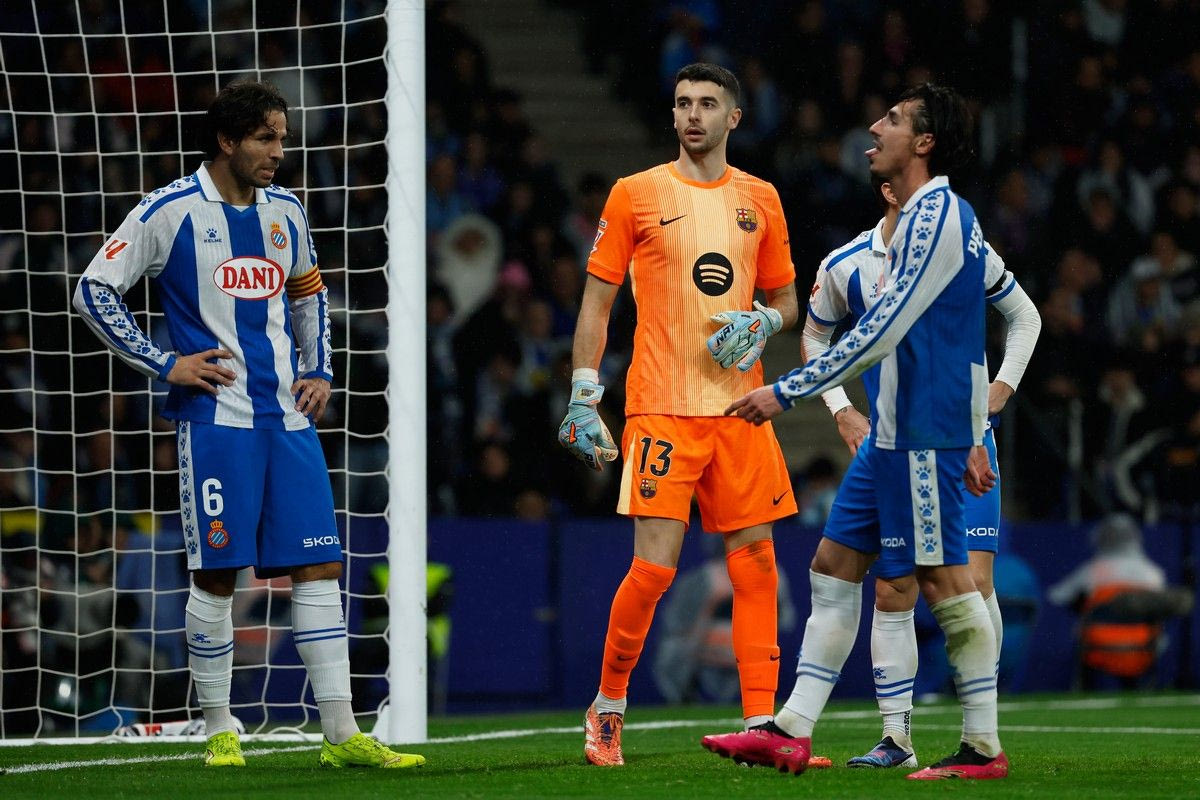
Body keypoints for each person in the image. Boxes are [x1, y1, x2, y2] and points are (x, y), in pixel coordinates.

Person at [73, 80, 424, 770]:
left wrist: (318, 369)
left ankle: (341, 734)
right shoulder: (169, 211)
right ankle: (219, 729)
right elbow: (93, 289)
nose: (278, 152)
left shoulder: (286, 210)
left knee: (320, 565)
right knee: (219, 575)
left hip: (288, 421)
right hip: (215, 422)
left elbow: (309, 293)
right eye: (266, 138)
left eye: (283, 139)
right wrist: (164, 362)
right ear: (227, 140)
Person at [700, 83, 1009, 780]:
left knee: (943, 582)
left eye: (893, 120)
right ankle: (790, 730)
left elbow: (883, 331)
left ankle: (983, 747)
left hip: (925, 433)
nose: (874, 126)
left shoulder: (941, 215)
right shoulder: (910, 227)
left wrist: (786, 391)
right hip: (889, 439)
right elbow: (933, 335)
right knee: (832, 567)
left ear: (924, 143)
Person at [558, 62, 800, 766]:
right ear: (672, 114)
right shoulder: (635, 193)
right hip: (662, 407)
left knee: (756, 567)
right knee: (654, 571)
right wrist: (583, 392)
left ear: (734, 118)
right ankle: (608, 707)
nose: (693, 114)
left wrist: (764, 322)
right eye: (683, 103)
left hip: (741, 409)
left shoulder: (761, 199)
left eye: (707, 104)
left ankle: (762, 724)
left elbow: (788, 299)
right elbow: (597, 302)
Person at [801, 175, 1040, 768]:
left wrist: (1001, 390)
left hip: (960, 443)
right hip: (892, 448)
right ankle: (897, 739)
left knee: (973, 583)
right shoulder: (846, 264)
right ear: (891, 192)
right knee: (892, 588)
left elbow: (1025, 316)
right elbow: (814, 335)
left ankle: (979, 734)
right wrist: (841, 409)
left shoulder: (963, 245)